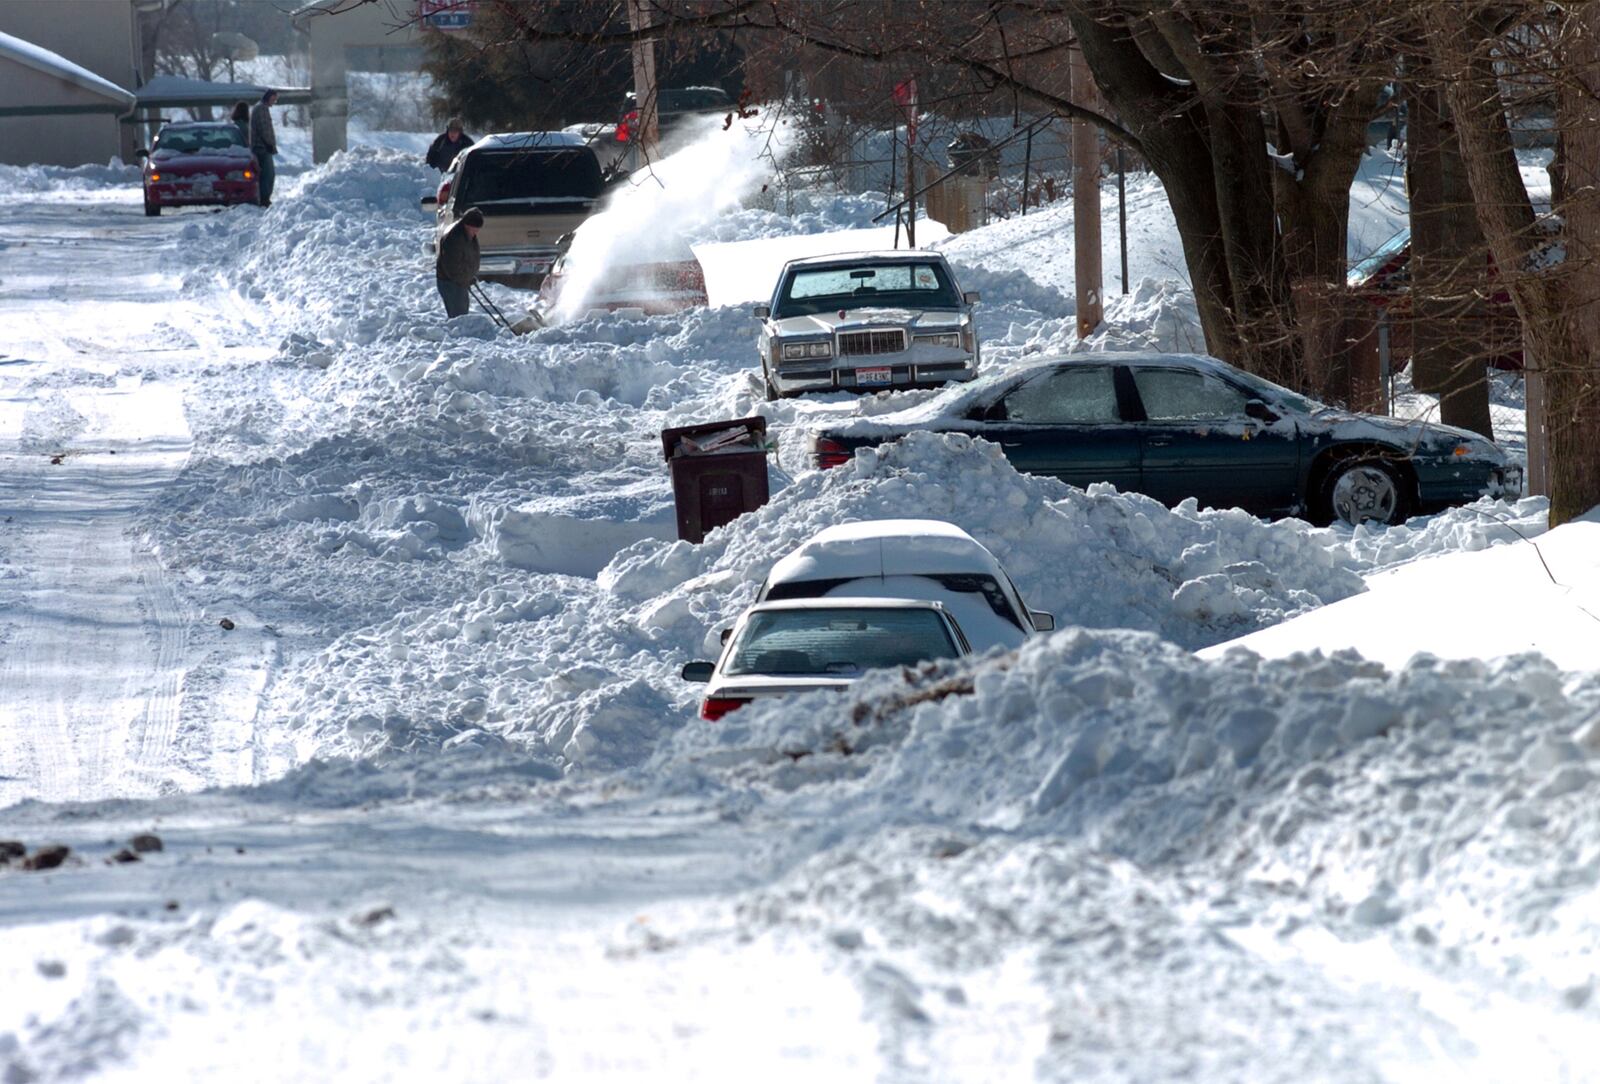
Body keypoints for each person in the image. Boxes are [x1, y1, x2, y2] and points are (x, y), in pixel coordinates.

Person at [435, 207, 483, 318]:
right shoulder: (455, 238)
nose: (476, 232)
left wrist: (470, 275)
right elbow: (452, 266)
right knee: (458, 316)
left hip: (459, 282)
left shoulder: (468, 235)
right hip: (450, 283)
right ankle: (456, 335)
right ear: (467, 224)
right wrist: (465, 278)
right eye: (474, 229)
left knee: (462, 314)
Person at [249, 88, 279, 208]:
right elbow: (264, 129)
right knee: (268, 174)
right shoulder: (261, 109)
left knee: (265, 174)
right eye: (273, 99)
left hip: (261, 147)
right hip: (262, 148)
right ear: (268, 97)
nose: (274, 102)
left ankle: (263, 197)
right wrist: (269, 144)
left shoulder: (260, 108)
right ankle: (264, 199)